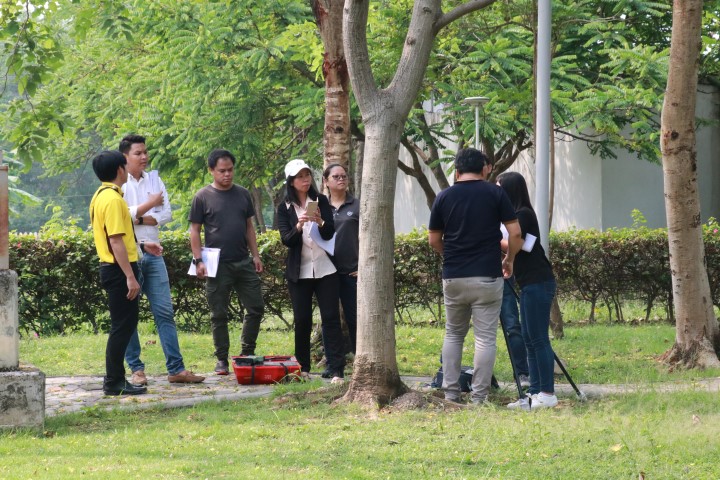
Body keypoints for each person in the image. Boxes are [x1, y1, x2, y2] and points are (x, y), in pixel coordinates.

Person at [428, 148, 522, 404]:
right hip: (488, 275)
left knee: (453, 334)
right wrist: (509, 259)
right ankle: (479, 396)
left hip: (454, 276)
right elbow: (515, 233)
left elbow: (434, 240)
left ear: (457, 171)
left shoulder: (444, 196)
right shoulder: (496, 193)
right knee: (485, 338)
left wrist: (450, 255)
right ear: (484, 169)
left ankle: (451, 393)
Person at [119, 135, 204, 385]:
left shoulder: (155, 180)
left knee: (165, 312)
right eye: (138, 153)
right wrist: (150, 205)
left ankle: (176, 369)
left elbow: (166, 214)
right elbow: (118, 216)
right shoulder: (119, 184)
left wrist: (137, 216)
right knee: (129, 316)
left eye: (145, 152)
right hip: (130, 255)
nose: (144, 157)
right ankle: (136, 369)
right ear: (125, 157)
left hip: (154, 254)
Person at [189, 149, 265, 375]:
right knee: (218, 313)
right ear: (211, 170)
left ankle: (247, 352)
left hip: (243, 261)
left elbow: (249, 227)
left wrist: (256, 255)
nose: (227, 174)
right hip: (216, 264)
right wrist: (198, 260)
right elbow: (194, 230)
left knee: (256, 307)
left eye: (230, 170)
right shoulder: (202, 196)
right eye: (222, 171)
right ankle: (221, 359)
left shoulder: (243, 194)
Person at [90, 150, 152, 396]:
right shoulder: (114, 200)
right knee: (122, 326)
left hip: (112, 268)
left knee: (122, 325)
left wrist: (143, 246)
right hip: (118, 270)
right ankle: (114, 381)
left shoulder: (100, 195)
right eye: (125, 166)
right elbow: (115, 241)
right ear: (119, 169)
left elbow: (118, 238)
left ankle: (115, 379)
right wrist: (130, 276)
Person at [277, 159, 345, 382]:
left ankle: (336, 369)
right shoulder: (284, 208)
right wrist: (299, 225)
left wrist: (320, 221)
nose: (305, 179)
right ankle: (302, 368)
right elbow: (287, 240)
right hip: (300, 272)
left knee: (331, 318)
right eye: (300, 176)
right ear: (291, 181)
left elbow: (330, 232)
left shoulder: (321, 200)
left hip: (325, 268)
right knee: (302, 319)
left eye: (307, 175)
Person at [497, 171, 559, 409]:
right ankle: (534, 393)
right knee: (529, 339)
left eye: (499, 188)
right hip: (528, 283)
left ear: (510, 190)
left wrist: (493, 239)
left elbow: (524, 244)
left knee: (539, 339)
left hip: (538, 282)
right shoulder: (515, 217)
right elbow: (517, 246)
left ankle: (547, 393)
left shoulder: (524, 214)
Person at [323, 163, 359, 354]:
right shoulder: (319, 206)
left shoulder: (358, 205)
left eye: (344, 176)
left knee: (355, 318)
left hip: (351, 272)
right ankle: (333, 361)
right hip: (325, 272)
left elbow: (369, 238)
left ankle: (359, 357)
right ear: (326, 181)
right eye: (336, 177)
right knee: (329, 319)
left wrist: (363, 267)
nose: (341, 179)